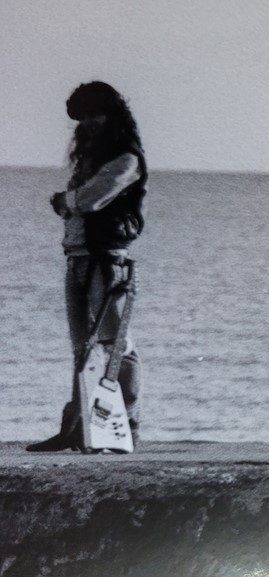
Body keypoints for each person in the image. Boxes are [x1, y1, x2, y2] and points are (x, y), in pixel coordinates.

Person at [27, 81, 148, 452]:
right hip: (80, 257)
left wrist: (65, 200)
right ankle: (78, 426)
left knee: (116, 345)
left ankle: (125, 422)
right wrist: (69, 200)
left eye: (92, 117)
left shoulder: (127, 159)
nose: (86, 126)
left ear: (110, 116)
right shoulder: (100, 161)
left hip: (107, 259)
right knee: (83, 348)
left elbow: (91, 200)